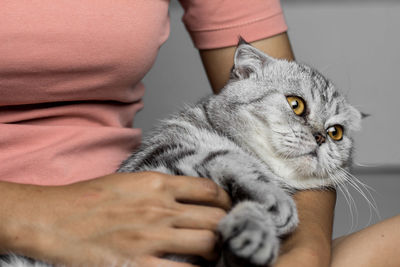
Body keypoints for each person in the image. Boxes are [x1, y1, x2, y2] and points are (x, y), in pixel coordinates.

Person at [0, 1, 399, 267]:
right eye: (298, 109)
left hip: (149, 217)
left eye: (333, 132)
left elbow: (282, 81)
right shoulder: (193, 138)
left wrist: (305, 248)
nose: (317, 136)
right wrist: (36, 216)